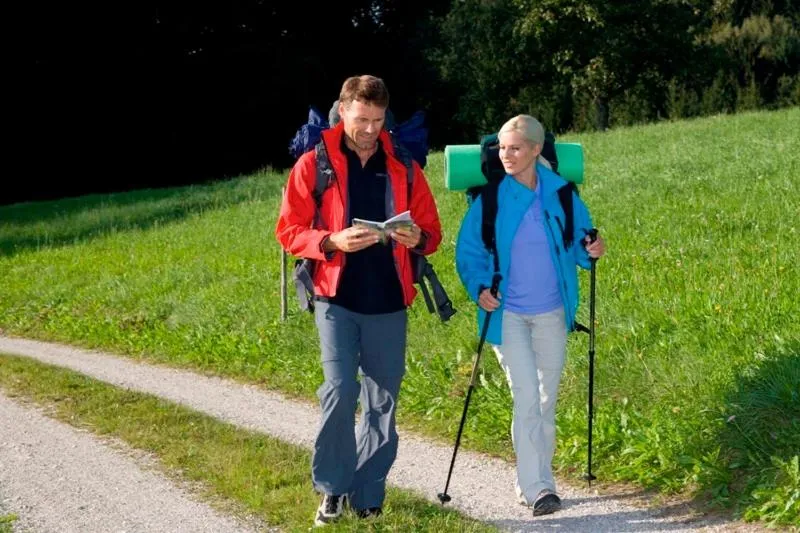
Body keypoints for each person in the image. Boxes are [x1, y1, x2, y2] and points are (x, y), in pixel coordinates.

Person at [275, 75, 442, 527]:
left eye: (377, 119)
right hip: (336, 298)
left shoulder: (405, 165)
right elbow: (288, 231)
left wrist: (416, 236)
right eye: (361, 118)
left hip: (389, 298)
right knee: (340, 390)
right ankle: (332, 489)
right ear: (343, 110)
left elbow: (432, 233)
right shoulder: (315, 164)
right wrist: (331, 240)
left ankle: (368, 494)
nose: (369, 129)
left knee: (382, 401)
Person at [454, 114, 606, 516]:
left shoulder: (562, 195)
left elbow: (581, 241)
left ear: (536, 150)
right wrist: (481, 289)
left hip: (553, 313)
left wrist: (592, 249)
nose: (507, 155)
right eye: (502, 148)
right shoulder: (490, 199)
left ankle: (538, 479)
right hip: (509, 316)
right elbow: (469, 252)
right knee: (526, 398)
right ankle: (538, 487)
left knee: (545, 399)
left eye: (516, 148)